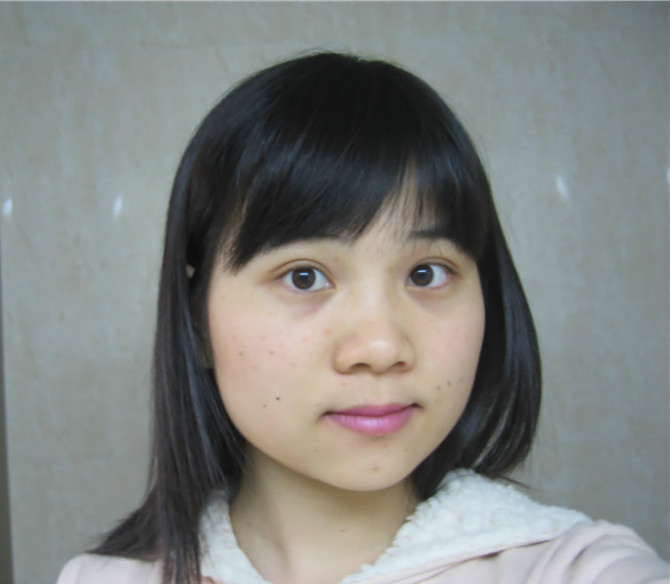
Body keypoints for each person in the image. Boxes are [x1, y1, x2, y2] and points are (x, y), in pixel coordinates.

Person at [57, 52, 669, 584]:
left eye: (426, 273)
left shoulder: (571, 568)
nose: (380, 347)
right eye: (304, 276)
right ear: (196, 323)